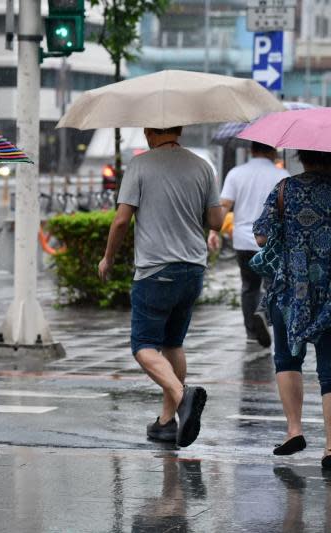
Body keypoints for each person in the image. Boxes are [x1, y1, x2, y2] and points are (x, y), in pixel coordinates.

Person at [98, 126, 223, 447]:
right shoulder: (202, 166)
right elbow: (216, 222)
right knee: (173, 344)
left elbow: (122, 220)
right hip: (193, 268)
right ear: (179, 130)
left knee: (144, 345)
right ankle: (167, 422)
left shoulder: (140, 165)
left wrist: (108, 258)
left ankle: (183, 397)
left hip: (156, 270)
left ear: (150, 132)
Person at [253, 149, 331, 464]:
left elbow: (260, 236)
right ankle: (330, 448)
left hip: (289, 289)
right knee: (329, 369)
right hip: (328, 290)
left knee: (286, 359)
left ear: (301, 155)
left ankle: (294, 431)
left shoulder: (285, 188)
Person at [208, 142, 289, 347]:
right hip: (272, 242)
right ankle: (263, 313)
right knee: (274, 286)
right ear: (272, 151)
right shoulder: (282, 176)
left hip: (243, 239)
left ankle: (251, 333)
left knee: (249, 287)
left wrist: (212, 232)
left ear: (251, 150)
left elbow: (224, 205)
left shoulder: (236, 173)